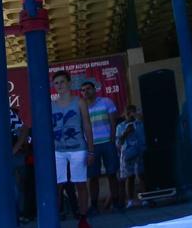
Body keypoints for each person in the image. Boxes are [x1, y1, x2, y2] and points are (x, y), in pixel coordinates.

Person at [50, 71, 93, 228]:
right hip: (58, 150)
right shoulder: (51, 105)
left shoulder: (79, 102)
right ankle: (55, 218)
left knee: (80, 183)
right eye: (56, 83)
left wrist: (91, 150)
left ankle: (83, 218)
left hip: (78, 148)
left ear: (69, 82)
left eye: (62, 82)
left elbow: (87, 126)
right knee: (57, 185)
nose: (59, 85)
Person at [80, 80, 119, 212]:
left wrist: (112, 140)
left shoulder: (106, 102)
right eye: (83, 90)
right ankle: (95, 206)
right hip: (91, 146)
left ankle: (116, 203)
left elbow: (113, 122)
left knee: (112, 174)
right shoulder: (81, 107)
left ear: (94, 89)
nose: (86, 92)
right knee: (93, 177)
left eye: (88, 89)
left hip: (107, 143)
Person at [116, 105, 147, 209]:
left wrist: (139, 119)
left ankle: (145, 198)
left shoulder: (140, 124)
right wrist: (126, 133)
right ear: (124, 114)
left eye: (132, 112)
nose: (130, 115)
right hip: (127, 154)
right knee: (130, 177)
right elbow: (118, 143)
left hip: (140, 151)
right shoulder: (120, 127)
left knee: (142, 175)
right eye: (128, 113)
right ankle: (130, 200)